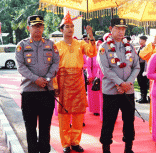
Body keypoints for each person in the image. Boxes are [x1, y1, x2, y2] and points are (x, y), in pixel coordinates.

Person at [53, 11, 97, 153]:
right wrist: (55, 86)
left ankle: (75, 142)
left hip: (78, 80)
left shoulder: (80, 44)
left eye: (72, 26)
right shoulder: (57, 45)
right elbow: (53, 68)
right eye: (67, 26)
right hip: (63, 81)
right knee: (64, 115)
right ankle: (65, 143)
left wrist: (90, 35)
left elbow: (92, 53)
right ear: (61, 29)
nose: (70, 29)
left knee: (78, 114)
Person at [15, 15, 60, 153]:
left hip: (47, 91)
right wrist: (36, 79)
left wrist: (46, 78)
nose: (38, 29)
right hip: (29, 92)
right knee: (30, 127)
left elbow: (56, 63)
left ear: (43, 27)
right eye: (34, 26)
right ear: (29, 28)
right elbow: (20, 66)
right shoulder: (22, 45)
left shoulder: (51, 45)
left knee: (45, 127)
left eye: (40, 26)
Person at [97, 18, 140, 153]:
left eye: (123, 29)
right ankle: (106, 148)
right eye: (118, 28)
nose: (121, 32)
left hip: (128, 90)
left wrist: (128, 83)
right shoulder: (104, 47)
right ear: (111, 29)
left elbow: (136, 67)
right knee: (109, 121)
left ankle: (128, 148)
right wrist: (120, 83)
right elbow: (105, 69)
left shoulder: (130, 47)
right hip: (111, 91)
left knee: (129, 120)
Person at [136, 35, 150, 103]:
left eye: (141, 40)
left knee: (144, 82)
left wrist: (145, 70)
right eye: (139, 40)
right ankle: (142, 96)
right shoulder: (140, 47)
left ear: (144, 41)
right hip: (139, 66)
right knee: (140, 82)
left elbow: (146, 60)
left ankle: (144, 97)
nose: (139, 41)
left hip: (143, 66)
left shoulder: (146, 48)